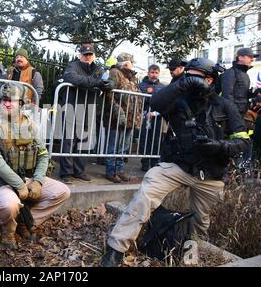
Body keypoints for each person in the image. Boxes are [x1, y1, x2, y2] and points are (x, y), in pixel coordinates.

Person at [101, 58, 249, 267]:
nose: (189, 80)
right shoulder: (177, 101)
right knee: (145, 195)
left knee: (200, 222)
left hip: (211, 174)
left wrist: (217, 145)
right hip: (178, 166)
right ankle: (115, 250)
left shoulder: (225, 106)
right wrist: (184, 84)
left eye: (195, 77)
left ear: (209, 79)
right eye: (187, 76)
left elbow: (243, 142)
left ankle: (191, 256)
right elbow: (156, 102)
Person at [0, 82, 70, 249]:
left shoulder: (31, 125)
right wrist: (19, 185)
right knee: (10, 203)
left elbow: (43, 155)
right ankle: (8, 233)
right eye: (4, 100)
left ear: (21, 104)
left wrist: (37, 181)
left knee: (62, 192)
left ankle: (25, 221)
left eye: (12, 100)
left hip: (26, 178)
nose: (7, 104)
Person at [59, 43, 115, 184]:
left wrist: (110, 85)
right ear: (80, 55)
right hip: (72, 107)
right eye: (85, 54)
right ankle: (66, 172)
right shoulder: (73, 65)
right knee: (69, 141)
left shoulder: (98, 68)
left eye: (90, 54)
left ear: (94, 56)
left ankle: (79, 171)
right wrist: (96, 82)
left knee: (84, 141)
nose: (88, 57)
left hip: (89, 108)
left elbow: (109, 80)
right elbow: (72, 78)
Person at [102, 53, 142, 183]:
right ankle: (111, 171)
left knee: (124, 147)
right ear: (126, 62)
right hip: (117, 117)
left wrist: (138, 115)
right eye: (131, 62)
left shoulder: (133, 77)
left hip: (131, 118)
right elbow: (110, 94)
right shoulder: (115, 72)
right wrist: (118, 112)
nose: (133, 64)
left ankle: (119, 170)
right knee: (114, 146)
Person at [138, 64, 165, 171]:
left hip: (157, 118)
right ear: (148, 73)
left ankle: (154, 162)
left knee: (156, 140)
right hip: (144, 117)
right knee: (144, 139)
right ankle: (144, 162)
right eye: (152, 72)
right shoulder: (141, 85)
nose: (154, 75)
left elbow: (164, 103)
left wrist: (156, 113)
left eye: (156, 73)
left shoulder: (163, 87)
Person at [221, 47, 260, 119]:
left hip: (241, 114)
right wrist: (233, 114)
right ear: (240, 57)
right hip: (231, 117)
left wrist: (251, 94)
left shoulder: (245, 74)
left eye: (253, 57)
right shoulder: (230, 73)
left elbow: (240, 96)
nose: (252, 59)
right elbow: (227, 95)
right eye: (249, 57)